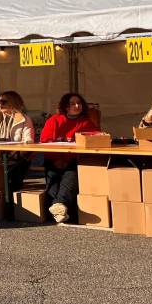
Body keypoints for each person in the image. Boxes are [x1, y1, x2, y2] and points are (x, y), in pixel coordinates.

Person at [39, 93, 99, 223]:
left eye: (79, 103)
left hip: (73, 160)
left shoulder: (86, 122)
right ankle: (60, 209)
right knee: (53, 182)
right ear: (65, 106)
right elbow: (45, 141)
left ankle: (58, 207)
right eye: (73, 103)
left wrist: (66, 160)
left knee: (70, 175)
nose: (77, 106)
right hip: (53, 159)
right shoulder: (54, 120)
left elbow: (96, 138)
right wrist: (56, 159)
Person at [0, 91, 34, 191]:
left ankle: (11, 202)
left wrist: (13, 155)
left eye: (4, 101)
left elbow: (28, 141)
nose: (0, 104)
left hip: (17, 158)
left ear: (14, 102)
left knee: (13, 175)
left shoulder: (25, 120)